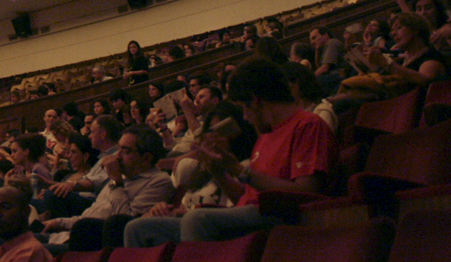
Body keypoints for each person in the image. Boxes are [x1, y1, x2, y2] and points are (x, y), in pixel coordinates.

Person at [124, 59, 337, 247]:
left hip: (279, 216)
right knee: (138, 229)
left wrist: (240, 170)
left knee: (197, 220)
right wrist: (219, 170)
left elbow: (306, 193)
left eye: (244, 108)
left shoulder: (307, 125)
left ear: (255, 100)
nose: (244, 117)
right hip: (249, 213)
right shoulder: (265, 135)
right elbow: (242, 198)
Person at [39, 126, 173, 250]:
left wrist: (116, 182)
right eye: (118, 149)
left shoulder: (159, 181)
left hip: (93, 245)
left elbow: (122, 224)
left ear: (146, 158)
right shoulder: (123, 176)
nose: (117, 156)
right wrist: (58, 222)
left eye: (125, 151)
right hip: (69, 235)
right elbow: (90, 214)